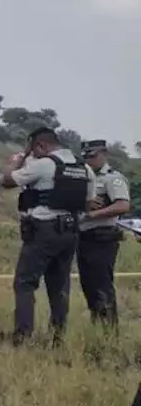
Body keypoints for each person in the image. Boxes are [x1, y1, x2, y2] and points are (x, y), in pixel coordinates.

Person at [0, 127, 94, 346]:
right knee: (59, 286)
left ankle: (22, 337)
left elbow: (6, 180)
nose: (34, 154)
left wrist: (21, 157)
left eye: (34, 149)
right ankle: (57, 338)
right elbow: (88, 204)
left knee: (24, 283)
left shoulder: (43, 165)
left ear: (41, 145)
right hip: (70, 232)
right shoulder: (85, 169)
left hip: (43, 230)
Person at [77, 140, 130, 329]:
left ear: (104, 154)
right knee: (88, 285)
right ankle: (98, 326)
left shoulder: (112, 178)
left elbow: (122, 205)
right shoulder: (85, 178)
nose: (89, 160)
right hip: (83, 237)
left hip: (102, 237)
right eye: (86, 157)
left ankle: (108, 331)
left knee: (101, 285)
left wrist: (92, 215)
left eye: (93, 156)